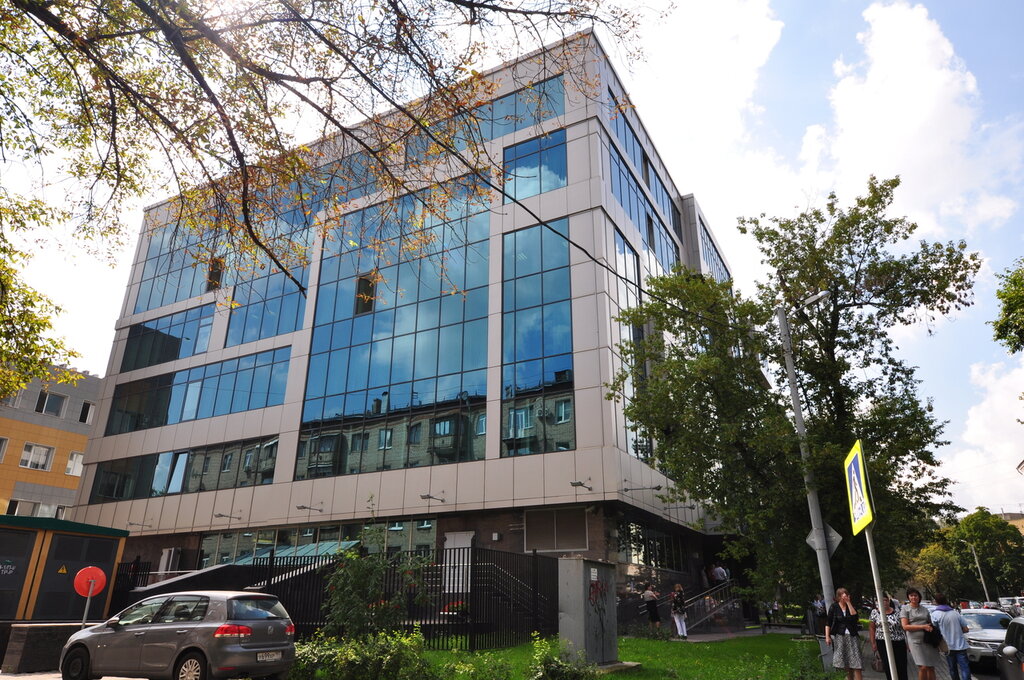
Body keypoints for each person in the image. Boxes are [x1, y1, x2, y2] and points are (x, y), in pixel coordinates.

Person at [900, 587, 942, 680]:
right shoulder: (905, 609)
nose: (913, 597)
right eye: (911, 595)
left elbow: (930, 623)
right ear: (908, 597)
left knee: (931, 666)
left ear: (919, 597)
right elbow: (905, 626)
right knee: (923, 667)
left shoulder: (925, 609)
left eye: (915, 595)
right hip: (915, 641)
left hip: (927, 640)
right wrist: (923, 626)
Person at [825, 587, 863, 680]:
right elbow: (828, 623)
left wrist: (848, 603)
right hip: (840, 637)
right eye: (843, 595)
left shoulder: (851, 606)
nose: (845, 597)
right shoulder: (834, 607)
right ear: (839, 597)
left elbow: (855, 618)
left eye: (846, 595)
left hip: (852, 637)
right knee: (846, 664)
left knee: (857, 664)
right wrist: (827, 636)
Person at [931, 593, 970, 680]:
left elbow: (935, 630)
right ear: (946, 601)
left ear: (936, 602)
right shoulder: (955, 613)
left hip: (947, 647)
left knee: (952, 669)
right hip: (961, 646)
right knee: (965, 668)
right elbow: (966, 629)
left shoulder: (935, 615)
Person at [870, 593, 908, 680]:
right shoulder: (875, 612)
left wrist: (907, 642)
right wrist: (873, 643)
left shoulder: (897, 612)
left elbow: (903, 627)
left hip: (898, 641)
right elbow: (872, 628)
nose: (884, 602)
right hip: (882, 642)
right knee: (888, 665)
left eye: (886, 600)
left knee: (901, 665)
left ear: (889, 601)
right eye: (881, 600)